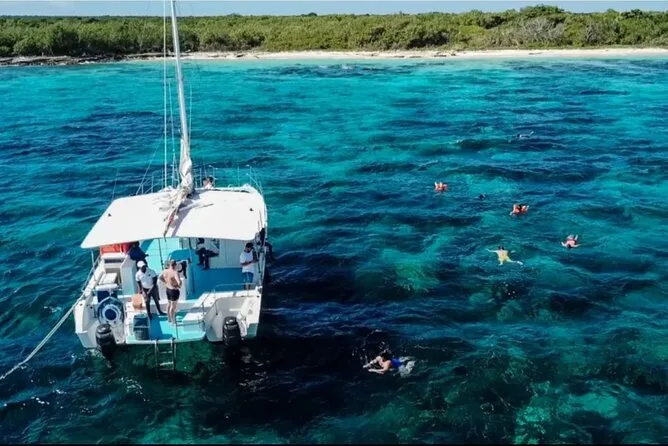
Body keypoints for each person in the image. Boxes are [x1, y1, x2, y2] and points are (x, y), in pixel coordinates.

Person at [159, 260, 182, 325]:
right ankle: (173, 321)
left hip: (168, 289)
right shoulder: (175, 272)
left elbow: (160, 277)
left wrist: (165, 283)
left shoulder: (165, 271)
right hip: (174, 291)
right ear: (175, 265)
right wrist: (178, 286)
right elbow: (179, 282)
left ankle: (169, 318)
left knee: (169, 304)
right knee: (173, 307)